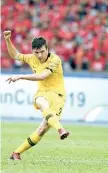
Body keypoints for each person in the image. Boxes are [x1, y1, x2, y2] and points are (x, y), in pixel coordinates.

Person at [3, 30, 70, 160]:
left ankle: (16, 153)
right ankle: (60, 129)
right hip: (42, 93)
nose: (39, 55)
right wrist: (7, 40)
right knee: (41, 101)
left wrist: (21, 76)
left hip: (58, 97)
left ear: (47, 49)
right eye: (36, 52)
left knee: (42, 130)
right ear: (33, 51)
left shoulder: (55, 60)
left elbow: (43, 75)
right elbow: (15, 55)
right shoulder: (31, 58)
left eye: (42, 51)